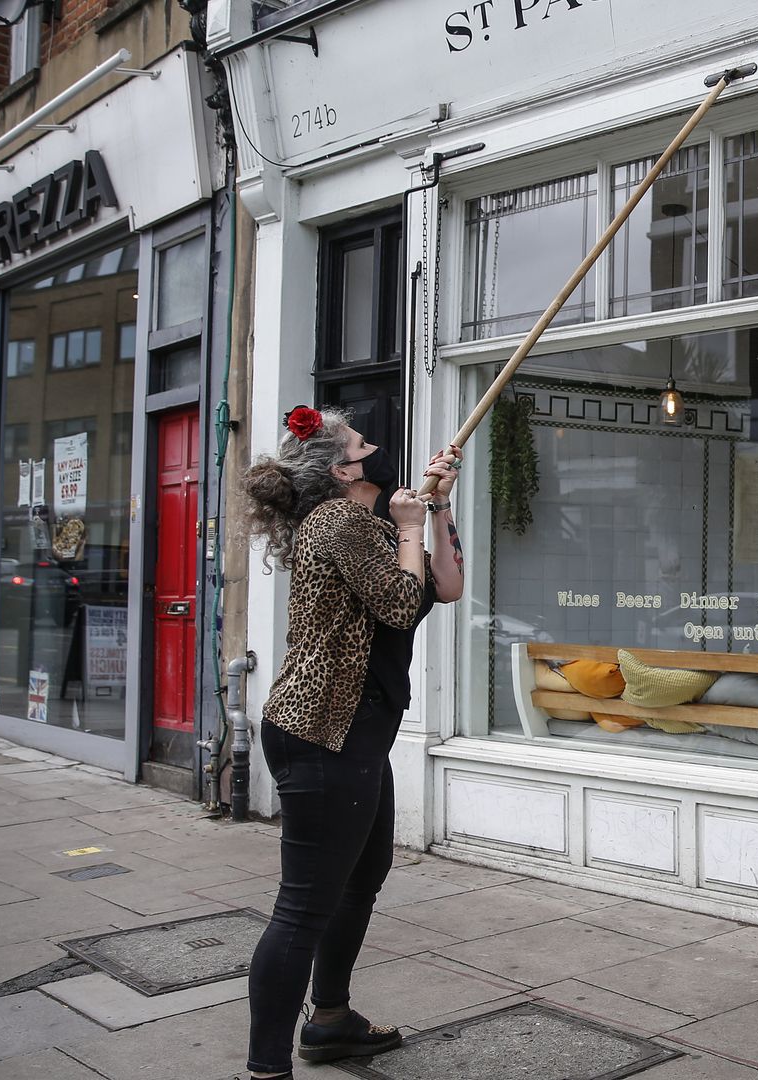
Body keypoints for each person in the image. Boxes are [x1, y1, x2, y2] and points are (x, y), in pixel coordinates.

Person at [239, 406, 465, 1079]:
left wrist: (436, 509)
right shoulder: (340, 523)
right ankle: (265, 1069)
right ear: (342, 469)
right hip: (322, 732)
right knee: (304, 905)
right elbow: (400, 604)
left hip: (353, 733)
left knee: (361, 879)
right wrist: (409, 526)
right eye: (364, 445)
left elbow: (443, 588)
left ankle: (331, 1021)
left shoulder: (369, 530)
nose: (377, 449)